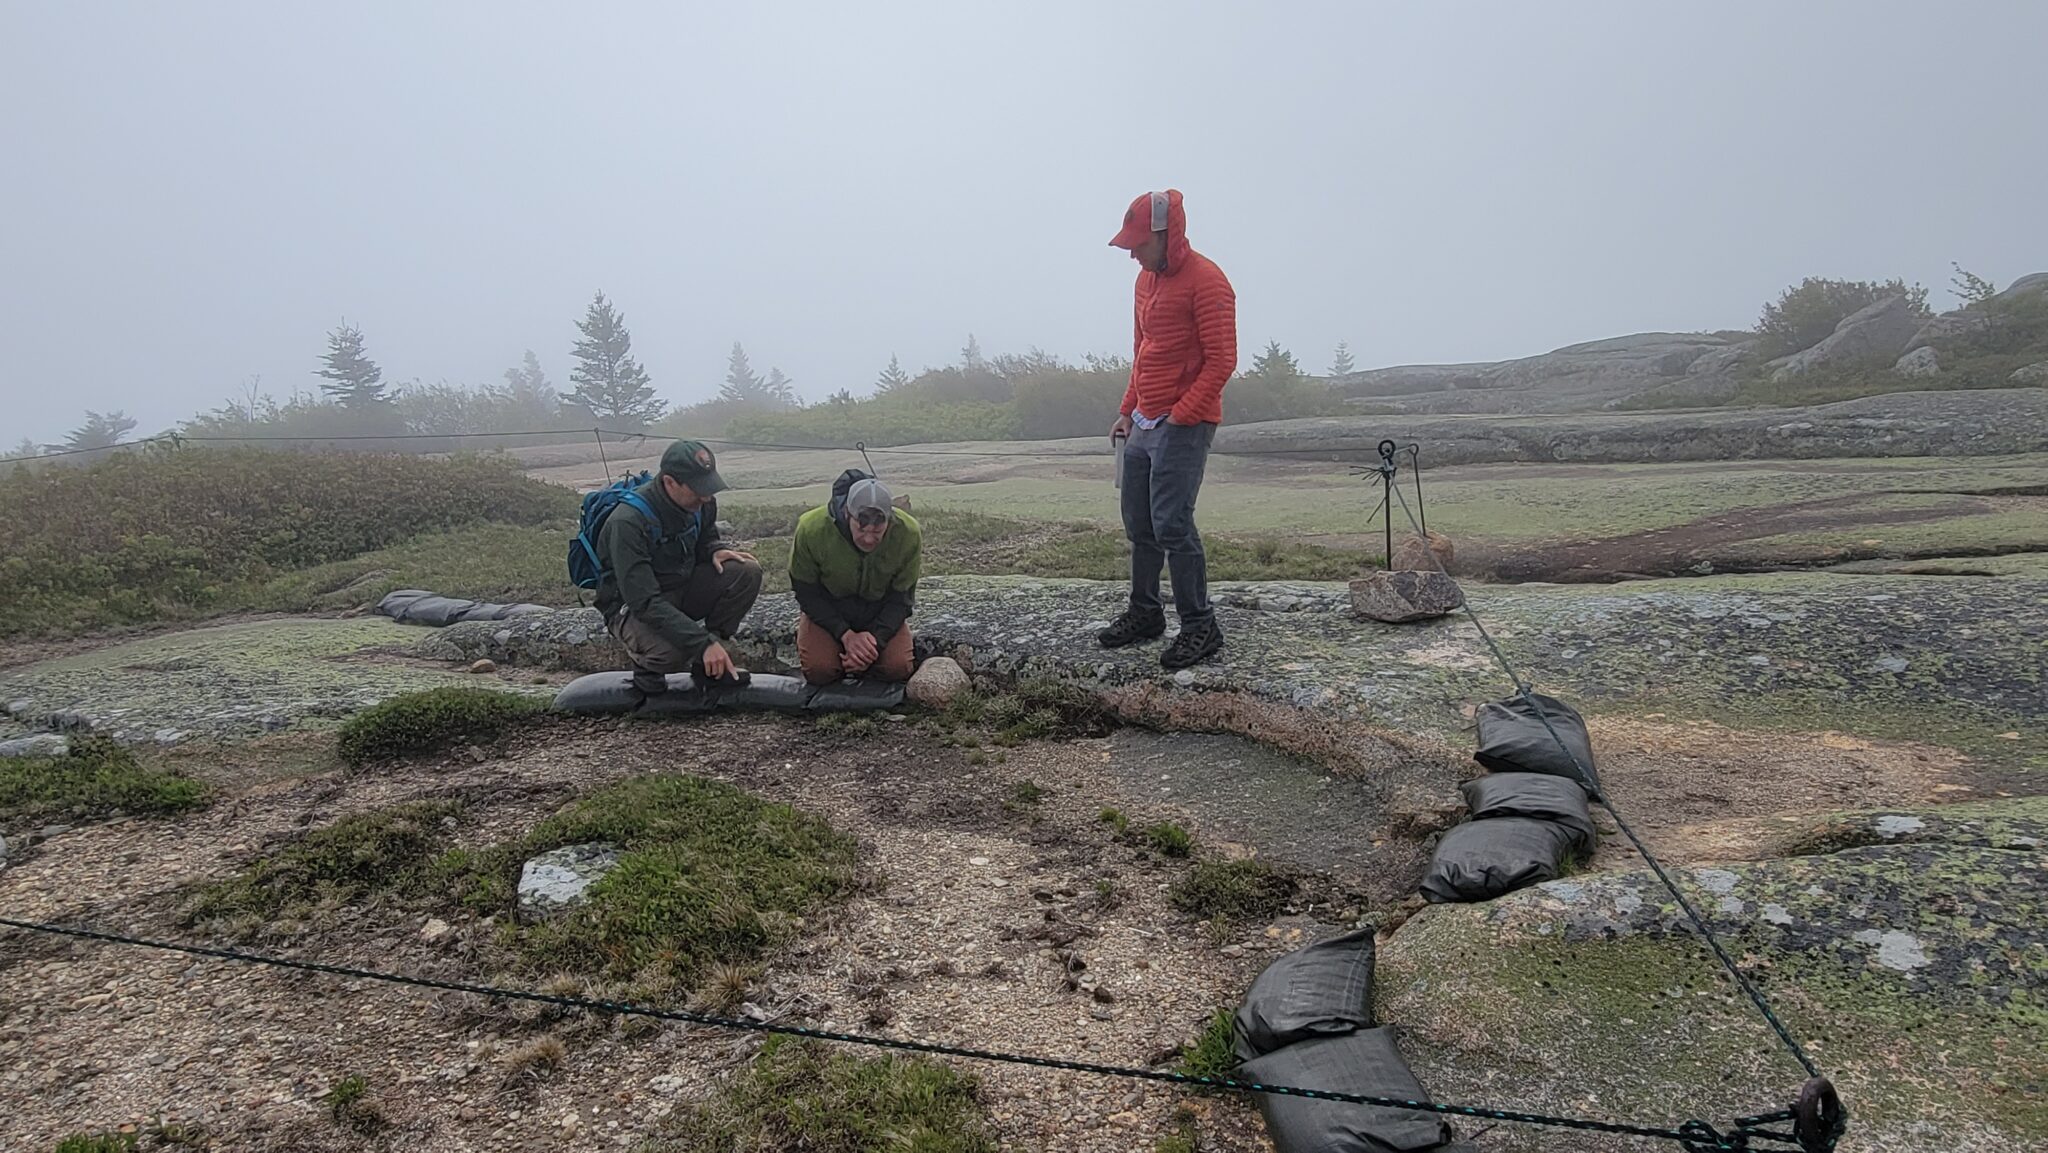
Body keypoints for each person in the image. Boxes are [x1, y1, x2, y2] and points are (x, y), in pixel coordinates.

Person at [1101, 188, 1237, 669]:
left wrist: (1183, 413)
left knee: (1173, 526)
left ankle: (1200, 626)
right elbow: (1143, 352)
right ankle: (1146, 613)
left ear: (1165, 233)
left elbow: (1222, 361)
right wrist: (1127, 407)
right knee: (1139, 523)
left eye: (1139, 244)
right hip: (1143, 420)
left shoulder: (1209, 281)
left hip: (1185, 422)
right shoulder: (1144, 281)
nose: (1133, 253)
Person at [594, 439, 762, 694]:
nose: (706, 496)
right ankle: (647, 666)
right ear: (669, 481)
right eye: (697, 489)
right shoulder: (628, 522)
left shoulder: (702, 503)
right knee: (673, 653)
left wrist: (715, 549)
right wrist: (701, 643)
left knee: (746, 571)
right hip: (634, 607)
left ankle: (709, 666)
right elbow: (644, 602)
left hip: (680, 587)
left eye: (709, 487)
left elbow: (706, 536)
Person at [789, 469, 922, 685]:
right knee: (820, 671)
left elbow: (902, 599)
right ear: (846, 514)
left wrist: (873, 643)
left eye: (878, 531)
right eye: (861, 529)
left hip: (880, 609)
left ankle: (862, 661)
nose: (869, 539)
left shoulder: (908, 534)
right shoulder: (811, 529)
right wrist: (845, 635)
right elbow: (807, 593)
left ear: (890, 520)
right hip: (830, 608)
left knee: (897, 668)